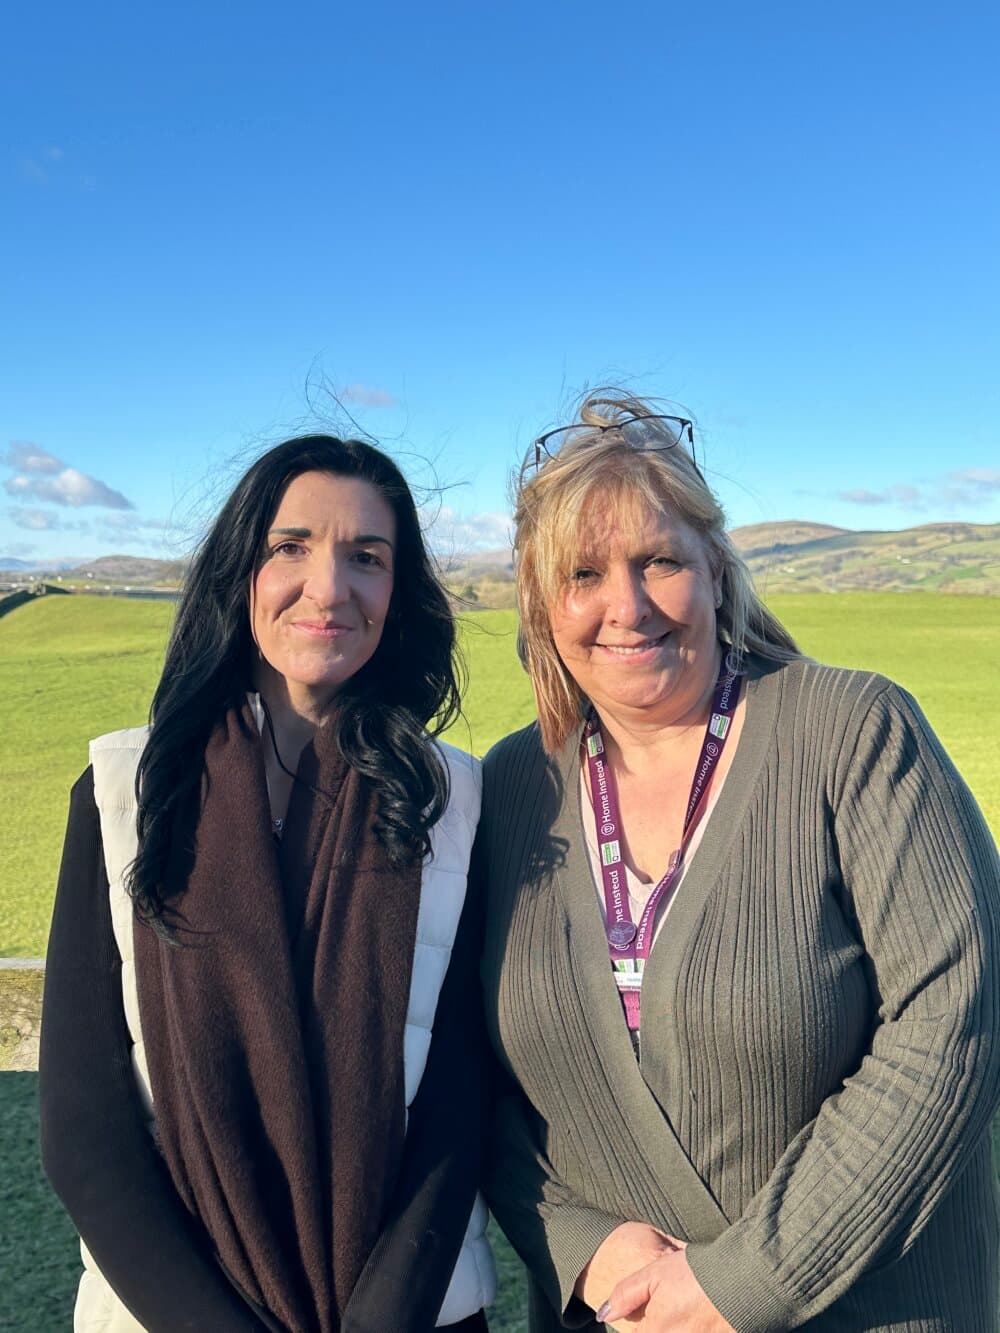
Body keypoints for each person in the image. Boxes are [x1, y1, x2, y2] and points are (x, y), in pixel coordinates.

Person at [479, 391, 1000, 1332]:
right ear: (542, 606)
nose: (628, 606)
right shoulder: (509, 786)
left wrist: (741, 1283)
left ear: (716, 570)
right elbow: (473, 1079)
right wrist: (581, 1243)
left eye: (660, 560)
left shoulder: (854, 733)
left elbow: (956, 1019)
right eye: (583, 573)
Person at [39, 435, 495, 1333]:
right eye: (291, 546)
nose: (329, 587)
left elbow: (458, 1102)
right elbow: (83, 1130)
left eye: (368, 557)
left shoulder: (454, 800)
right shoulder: (126, 794)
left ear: (397, 592)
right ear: (240, 570)